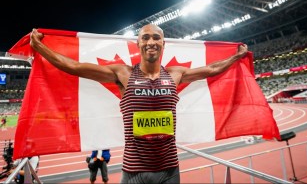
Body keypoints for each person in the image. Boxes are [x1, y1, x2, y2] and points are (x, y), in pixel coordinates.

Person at [30, 24, 248, 184]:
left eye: (155, 37)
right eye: (145, 38)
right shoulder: (123, 73)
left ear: (163, 43)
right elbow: (75, 67)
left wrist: (236, 57)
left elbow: (211, 70)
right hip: (134, 171)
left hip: (169, 170)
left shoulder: (176, 74)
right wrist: (40, 47)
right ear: (138, 43)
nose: (151, 42)